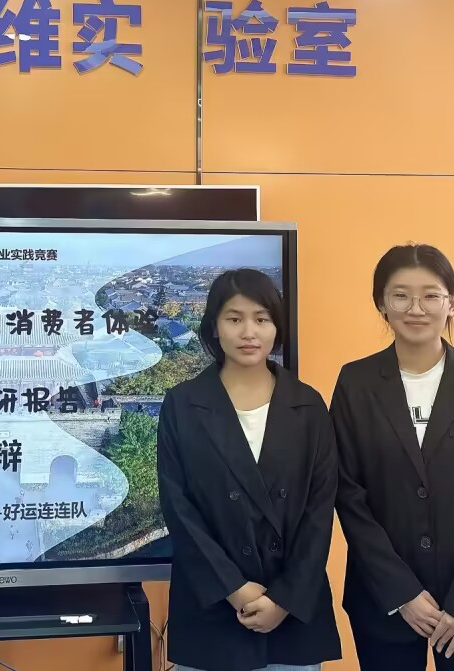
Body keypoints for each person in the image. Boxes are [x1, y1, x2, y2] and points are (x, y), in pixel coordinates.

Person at [331, 244, 454, 670]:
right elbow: (347, 493)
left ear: (452, 303)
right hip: (384, 601)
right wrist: (401, 592)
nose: (415, 308)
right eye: (400, 295)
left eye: (431, 295)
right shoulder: (356, 382)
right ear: (381, 303)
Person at [157, 268, 340, 671]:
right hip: (212, 607)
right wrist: (235, 589)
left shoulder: (308, 406)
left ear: (276, 327)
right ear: (214, 327)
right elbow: (177, 507)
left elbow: (319, 512)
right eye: (234, 318)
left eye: (261, 318)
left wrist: (283, 600)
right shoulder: (182, 405)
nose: (249, 332)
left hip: (291, 613)